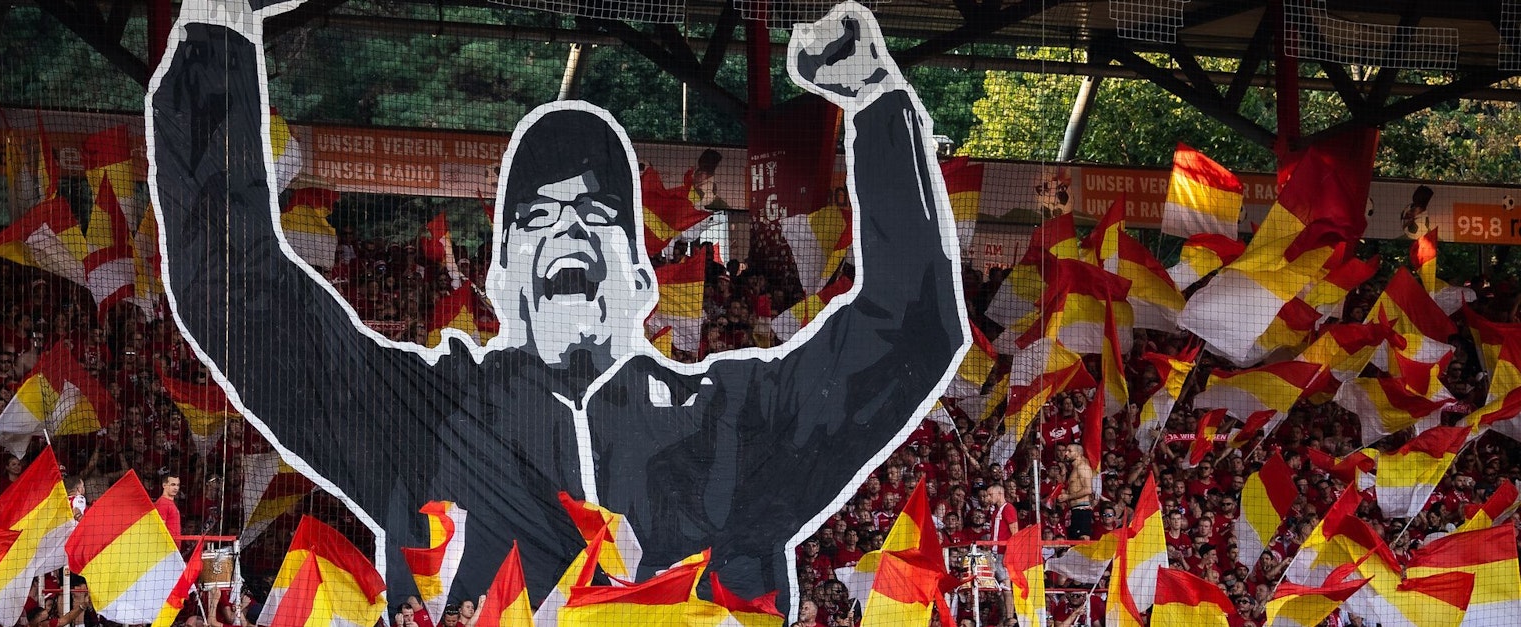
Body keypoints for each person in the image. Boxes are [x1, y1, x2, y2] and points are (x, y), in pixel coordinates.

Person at [152, 0, 964, 611]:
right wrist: (219, 30)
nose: (568, 225)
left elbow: (910, 329)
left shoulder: (738, 421)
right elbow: (240, 296)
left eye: (598, 214)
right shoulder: (416, 416)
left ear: (641, 279)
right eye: (536, 218)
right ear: (502, 277)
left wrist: (878, 102)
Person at [1057, 444, 1095, 540]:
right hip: (1075, 510)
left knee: (1082, 541)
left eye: (1069, 451)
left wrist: (1068, 497)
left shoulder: (1083, 467)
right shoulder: (1075, 469)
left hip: (1082, 511)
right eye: (1066, 451)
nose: (1066, 453)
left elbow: (1088, 489)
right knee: (1074, 541)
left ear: (1078, 453)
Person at [156, 472, 183, 541]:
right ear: (164, 485)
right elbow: (160, 528)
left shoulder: (169, 502)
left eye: (178, 485)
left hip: (173, 544)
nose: (176, 488)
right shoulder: (163, 503)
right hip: (167, 545)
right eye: (173, 485)